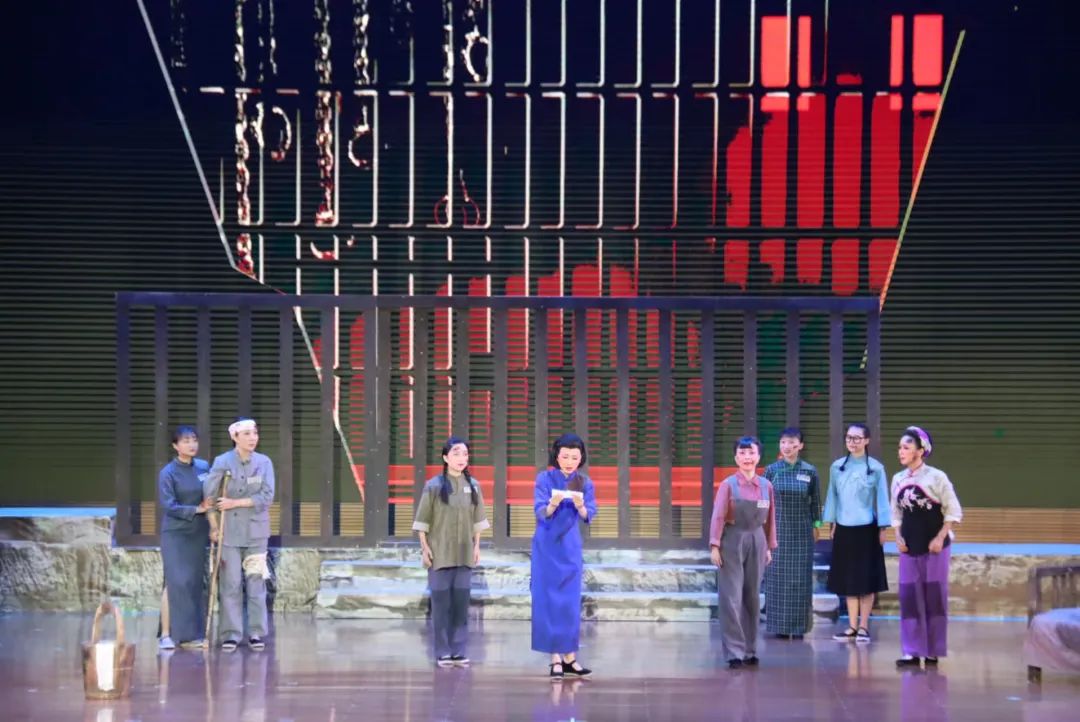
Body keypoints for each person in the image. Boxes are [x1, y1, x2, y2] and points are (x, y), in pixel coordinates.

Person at [412, 437, 491, 667]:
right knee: (441, 605)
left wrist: (476, 546)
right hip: (439, 554)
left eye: (465, 454)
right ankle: (442, 652)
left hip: (464, 554)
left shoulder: (473, 485)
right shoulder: (434, 485)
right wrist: (425, 548)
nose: (461, 458)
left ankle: (458, 651)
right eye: (456, 453)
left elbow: (478, 521)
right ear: (445, 457)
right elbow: (422, 521)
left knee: (460, 605)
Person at [891, 426, 962, 668]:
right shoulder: (898, 479)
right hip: (909, 546)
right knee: (910, 598)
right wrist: (898, 537)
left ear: (920, 451)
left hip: (935, 547)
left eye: (906, 447)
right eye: (900, 447)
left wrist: (940, 537)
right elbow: (896, 513)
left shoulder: (937, 477)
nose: (901, 451)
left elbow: (953, 510)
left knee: (934, 597)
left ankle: (932, 651)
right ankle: (912, 651)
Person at [202, 417, 275, 652]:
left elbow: (267, 496)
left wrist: (235, 502)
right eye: (247, 434)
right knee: (231, 584)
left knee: (256, 582)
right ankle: (231, 634)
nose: (253, 438)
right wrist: (213, 526)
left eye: (255, 433)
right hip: (229, 533)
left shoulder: (264, 462)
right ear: (235, 437)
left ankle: (256, 632)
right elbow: (210, 497)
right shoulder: (222, 462)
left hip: (256, 533)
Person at [531, 433, 598, 679]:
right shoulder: (545, 478)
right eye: (565, 456)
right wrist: (553, 503)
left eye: (574, 457)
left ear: (581, 458)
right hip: (547, 545)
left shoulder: (584, 482)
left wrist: (580, 506)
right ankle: (555, 659)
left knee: (569, 603)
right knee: (549, 601)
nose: (570, 462)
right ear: (556, 457)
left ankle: (570, 657)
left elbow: (589, 514)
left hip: (570, 546)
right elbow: (540, 511)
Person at [710, 436, 777, 668]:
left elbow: (771, 519)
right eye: (742, 453)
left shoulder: (766, 486)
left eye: (751, 453)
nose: (747, 457)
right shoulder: (728, 485)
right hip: (732, 540)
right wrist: (715, 545)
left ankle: (750, 650)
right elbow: (718, 516)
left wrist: (769, 546)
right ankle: (734, 652)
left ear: (759, 456)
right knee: (731, 597)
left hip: (757, 540)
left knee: (752, 596)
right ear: (735, 457)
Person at [823, 423, 890, 643]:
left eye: (857, 438)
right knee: (848, 579)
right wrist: (831, 522)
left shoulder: (876, 468)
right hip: (844, 528)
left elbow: (882, 499)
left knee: (866, 579)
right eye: (849, 438)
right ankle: (851, 626)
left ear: (867, 440)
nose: (852, 442)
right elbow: (832, 496)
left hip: (867, 529)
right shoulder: (837, 467)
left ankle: (864, 626)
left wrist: (883, 527)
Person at [763, 427, 821, 639]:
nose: (787, 447)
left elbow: (815, 501)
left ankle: (798, 627)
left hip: (802, 531)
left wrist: (817, 525)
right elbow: (764, 502)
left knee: (800, 579)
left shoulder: (809, 471)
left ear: (800, 446)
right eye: (783, 442)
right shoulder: (771, 470)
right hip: (777, 530)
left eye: (792, 443)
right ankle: (778, 625)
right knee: (776, 577)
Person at [157, 425, 212, 650]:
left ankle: (189, 635)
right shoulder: (168, 472)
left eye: (194, 440)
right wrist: (196, 509)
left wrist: (212, 520)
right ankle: (166, 634)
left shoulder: (203, 467)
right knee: (174, 581)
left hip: (197, 533)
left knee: (192, 582)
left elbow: (210, 495)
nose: (192, 445)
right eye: (186, 441)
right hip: (175, 533)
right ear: (175, 446)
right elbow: (169, 505)